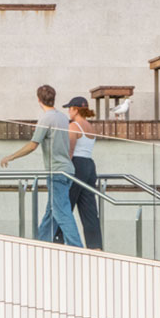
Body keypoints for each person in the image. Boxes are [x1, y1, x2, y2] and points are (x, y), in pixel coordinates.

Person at [2, 83, 84, 248]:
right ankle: (40, 244)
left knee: (62, 213)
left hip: (57, 172)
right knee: (51, 213)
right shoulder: (62, 117)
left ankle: (78, 249)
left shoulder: (46, 119)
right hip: (67, 170)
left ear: (39, 100)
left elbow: (33, 145)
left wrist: (11, 156)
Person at [65, 95, 104, 249]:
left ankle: (58, 241)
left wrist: (65, 167)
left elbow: (70, 150)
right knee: (89, 209)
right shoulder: (90, 126)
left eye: (70, 108)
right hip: (89, 164)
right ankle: (95, 246)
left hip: (77, 164)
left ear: (75, 109)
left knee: (65, 205)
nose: (68, 111)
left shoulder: (74, 126)